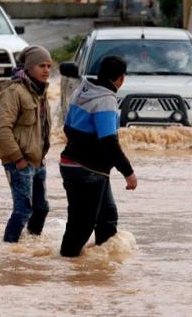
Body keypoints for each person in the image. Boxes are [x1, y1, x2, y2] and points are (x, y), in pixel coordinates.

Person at [59, 56, 137, 257]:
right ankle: (67, 268)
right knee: (82, 225)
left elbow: (67, 127)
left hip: (75, 165)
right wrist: (128, 172)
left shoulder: (81, 90)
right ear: (120, 79)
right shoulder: (106, 99)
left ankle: (101, 268)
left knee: (107, 217)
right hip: (88, 171)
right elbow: (109, 142)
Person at [0, 46, 52, 243]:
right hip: (19, 161)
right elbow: (1, 128)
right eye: (41, 66)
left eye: (49, 66)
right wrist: (18, 159)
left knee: (41, 208)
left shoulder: (40, 91)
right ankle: (9, 250)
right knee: (23, 210)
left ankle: (29, 247)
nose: (46, 70)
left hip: (37, 161)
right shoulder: (14, 92)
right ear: (28, 68)